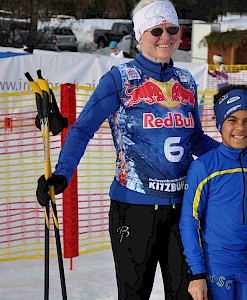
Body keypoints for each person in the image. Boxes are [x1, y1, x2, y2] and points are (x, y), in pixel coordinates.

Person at [35, 0, 220, 299]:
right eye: (156, 30)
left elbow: (195, 138)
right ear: (140, 35)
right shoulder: (120, 79)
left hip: (183, 211)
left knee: (188, 294)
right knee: (134, 294)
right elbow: (82, 129)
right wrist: (62, 175)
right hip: (134, 210)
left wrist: (240, 159)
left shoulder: (185, 81)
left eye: (172, 29)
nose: (165, 36)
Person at [180, 84, 247, 300]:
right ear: (220, 124)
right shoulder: (203, 167)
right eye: (232, 120)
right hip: (215, 265)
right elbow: (189, 221)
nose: (240, 128)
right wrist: (196, 273)